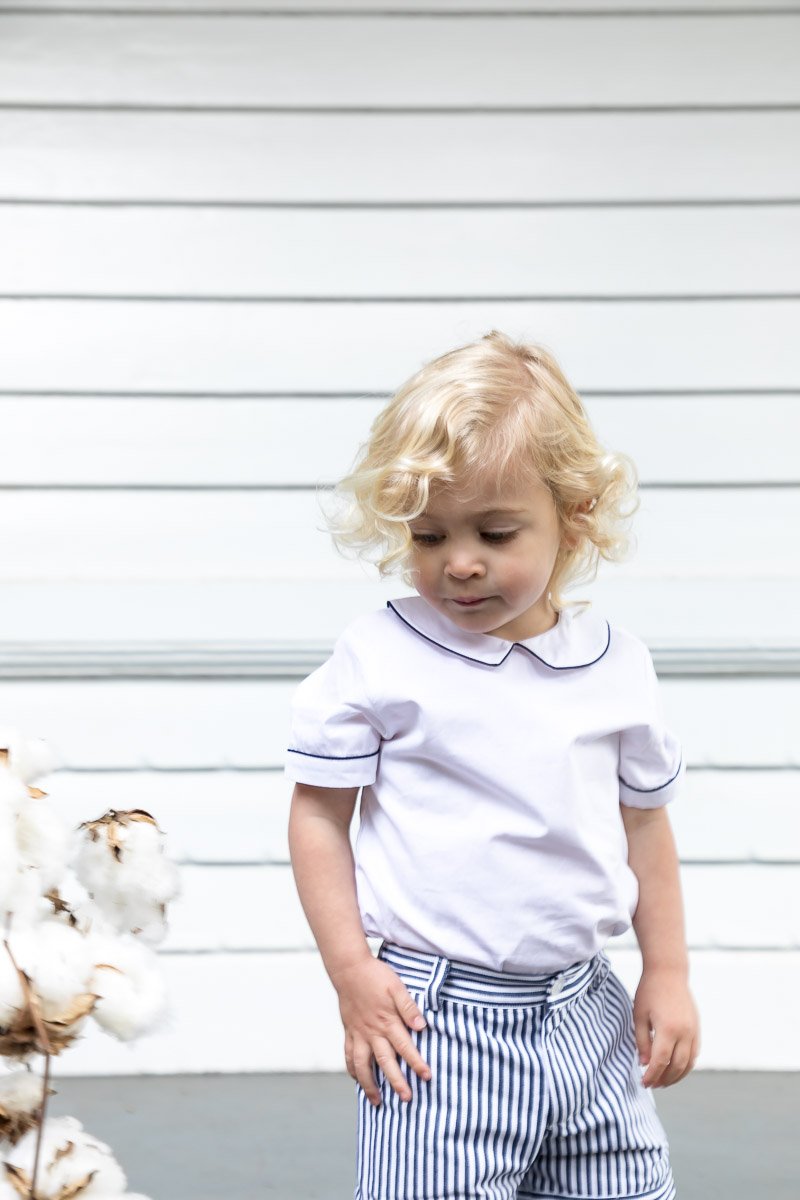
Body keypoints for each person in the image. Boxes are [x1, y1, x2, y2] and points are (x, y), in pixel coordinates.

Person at [286, 330, 699, 1200]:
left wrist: (667, 971)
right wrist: (353, 973)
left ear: (573, 516)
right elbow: (319, 816)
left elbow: (644, 826)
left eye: (496, 531)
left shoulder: (617, 665)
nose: (459, 562)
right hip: (438, 1029)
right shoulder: (382, 655)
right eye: (430, 535)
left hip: (591, 1012)